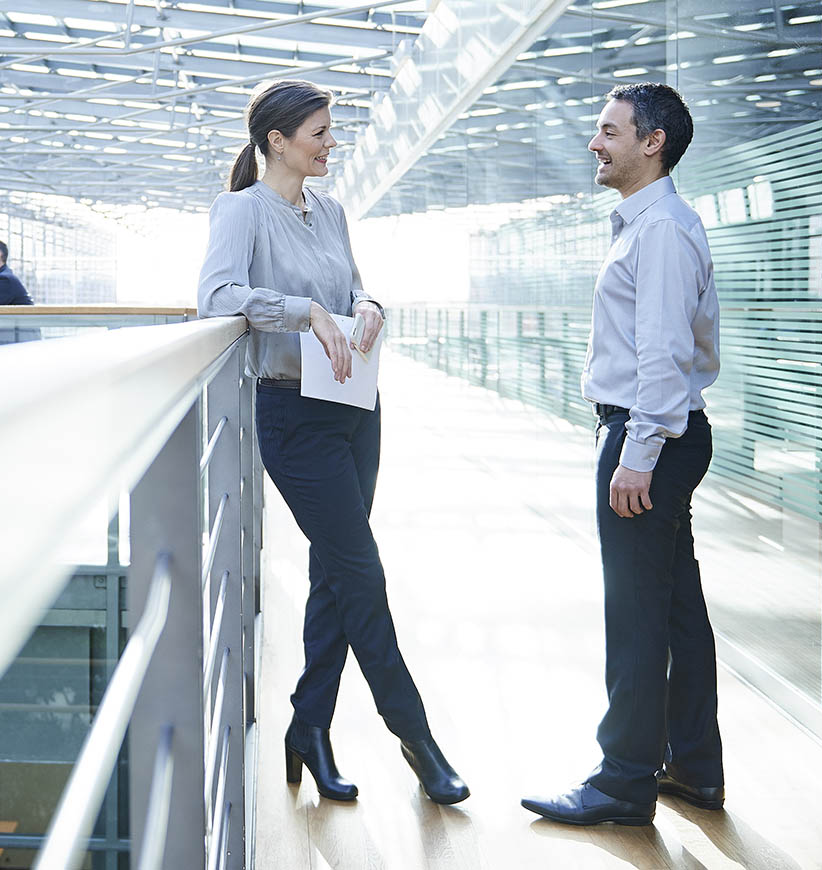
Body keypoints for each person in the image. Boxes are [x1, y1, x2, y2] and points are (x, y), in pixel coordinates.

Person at [197, 79, 468, 805]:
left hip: (355, 410)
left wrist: (369, 306)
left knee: (336, 577)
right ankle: (417, 738)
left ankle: (307, 729)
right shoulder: (241, 211)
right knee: (363, 574)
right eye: (319, 132)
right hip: (294, 419)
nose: (331, 144)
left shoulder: (332, 211)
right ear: (277, 140)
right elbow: (216, 298)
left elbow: (354, 292)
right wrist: (302, 311)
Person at [521, 83, 722, 826]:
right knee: (674, 613)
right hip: (659, 433)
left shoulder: (660, 229)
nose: (594, 143)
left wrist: (636, 454)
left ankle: (622, 783)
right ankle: (694, 767)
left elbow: (664, 354)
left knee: (636, 618)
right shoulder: (647, 224)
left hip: (650, 436)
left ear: (653, 142)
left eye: (608, 131)